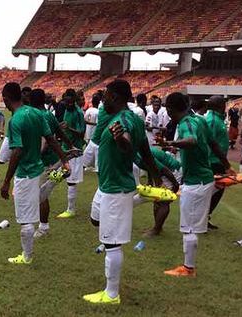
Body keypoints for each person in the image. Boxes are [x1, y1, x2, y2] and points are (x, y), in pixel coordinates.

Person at [84, 79, 160, 305]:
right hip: (109, 186)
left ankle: (111, 294)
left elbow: (127, 144)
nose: (103, 99)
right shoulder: (132, 119)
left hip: (116, 189)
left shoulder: (123, 121)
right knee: (97, 221)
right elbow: (146, 152)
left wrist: (120, 140)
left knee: (111, 243)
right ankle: (141, 197)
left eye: (106, 95)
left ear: (115, 97)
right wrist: (156, 179)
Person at [0, 82, 69, 265]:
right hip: (39, 167)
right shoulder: (37, 113)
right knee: (36, 198)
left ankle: (27, 256)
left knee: (25, 219)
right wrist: (64, 160)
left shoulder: (16, 120)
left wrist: (7, 181)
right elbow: (51, 139)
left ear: (6, 99)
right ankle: (55, 178)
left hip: (25, 172)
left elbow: (17, 151)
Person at [159, 92, 215, 277]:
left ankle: (188, 268)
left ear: (170, 109)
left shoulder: (185, 123)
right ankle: (188, 266)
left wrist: (170, 141)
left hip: (196, 181)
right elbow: (212, 143)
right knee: (190, 225)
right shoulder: (199, 119)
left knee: (189, 226)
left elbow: (191, 141)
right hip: (201, 178)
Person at [29, 89, 73, 238]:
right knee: (41, 193)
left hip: (43, 161)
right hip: (53, 159)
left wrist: (36, 155)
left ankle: (43, 227)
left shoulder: (39, 116)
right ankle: (58, 174)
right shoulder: (49, 114)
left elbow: (46, 140)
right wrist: (70, 145)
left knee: (40, 196)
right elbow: (59, 132)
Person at [57, 89, 86, 219]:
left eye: (70, 102)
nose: (68, 104)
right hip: (65, 148)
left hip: (75, 150)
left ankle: (71, 209)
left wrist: (68, 128)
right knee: (57, 176)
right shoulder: (66, 110)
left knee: (71, 181)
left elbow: (81, 133)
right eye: (66, 102)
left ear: (74, 100)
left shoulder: (79, 113)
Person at [206, 96, 233, 229]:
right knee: (213, 190)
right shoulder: (212, 120)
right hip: (213, 161)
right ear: (218, 105)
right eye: (223, 104)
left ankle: (206, 216)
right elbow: (208, 142)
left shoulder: (218, 119)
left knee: (218, 189)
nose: (225, 106)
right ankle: (202, 217)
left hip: (219, 160)